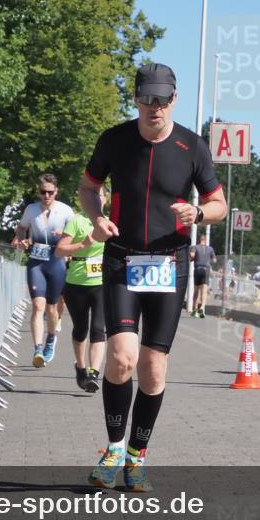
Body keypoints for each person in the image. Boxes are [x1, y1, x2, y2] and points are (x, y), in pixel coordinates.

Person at [79, 62, 227, 492]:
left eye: (162, 100)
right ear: (136, 99)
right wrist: (97, 217)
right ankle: (113, 448)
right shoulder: (115, 140)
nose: (154, 107)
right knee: (121, 359)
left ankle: (138, 456)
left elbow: (219, 204)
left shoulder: (192, 147)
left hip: (169, 263)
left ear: (174, 100)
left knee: (153, 369)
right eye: (147, 99)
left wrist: (198, 212)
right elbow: (88, 187)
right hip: (123, 259)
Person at [11, 174, 74, 368]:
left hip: (56, 262)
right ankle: (38, 349)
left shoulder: (65, 211)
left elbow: (75, 232)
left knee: (52, 308)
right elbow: (21, 228)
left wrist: (67, 243)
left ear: (56, 192)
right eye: (42, 192)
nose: (46, 196)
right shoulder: (31, 210)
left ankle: (51, 338)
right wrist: (20, 238)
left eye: (50, 192)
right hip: (36, 262)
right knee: (38, 306)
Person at [55, 185, 107, 394]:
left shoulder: (111, 222)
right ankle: (80, 366)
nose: (97, 200)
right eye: (93, 196)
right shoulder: (78, 221)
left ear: (106, 199)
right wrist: (82, 244)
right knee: (80, 330)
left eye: (101, 196)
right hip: (77, 283)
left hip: (102, 284)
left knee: (98, 329)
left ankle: (94, 373)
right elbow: (60, 250)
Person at [188, 233, 216, 318]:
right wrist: (208, 260)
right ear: (205, 240)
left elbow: (192, 255)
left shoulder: (194, 247)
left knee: (196, 290)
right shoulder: (210, 248)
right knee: (204, 290)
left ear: (199, 240)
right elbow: (214, 260)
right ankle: (203, 308)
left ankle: (195, 310)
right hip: (206, 270)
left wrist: (192, 258)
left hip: (197, 269)